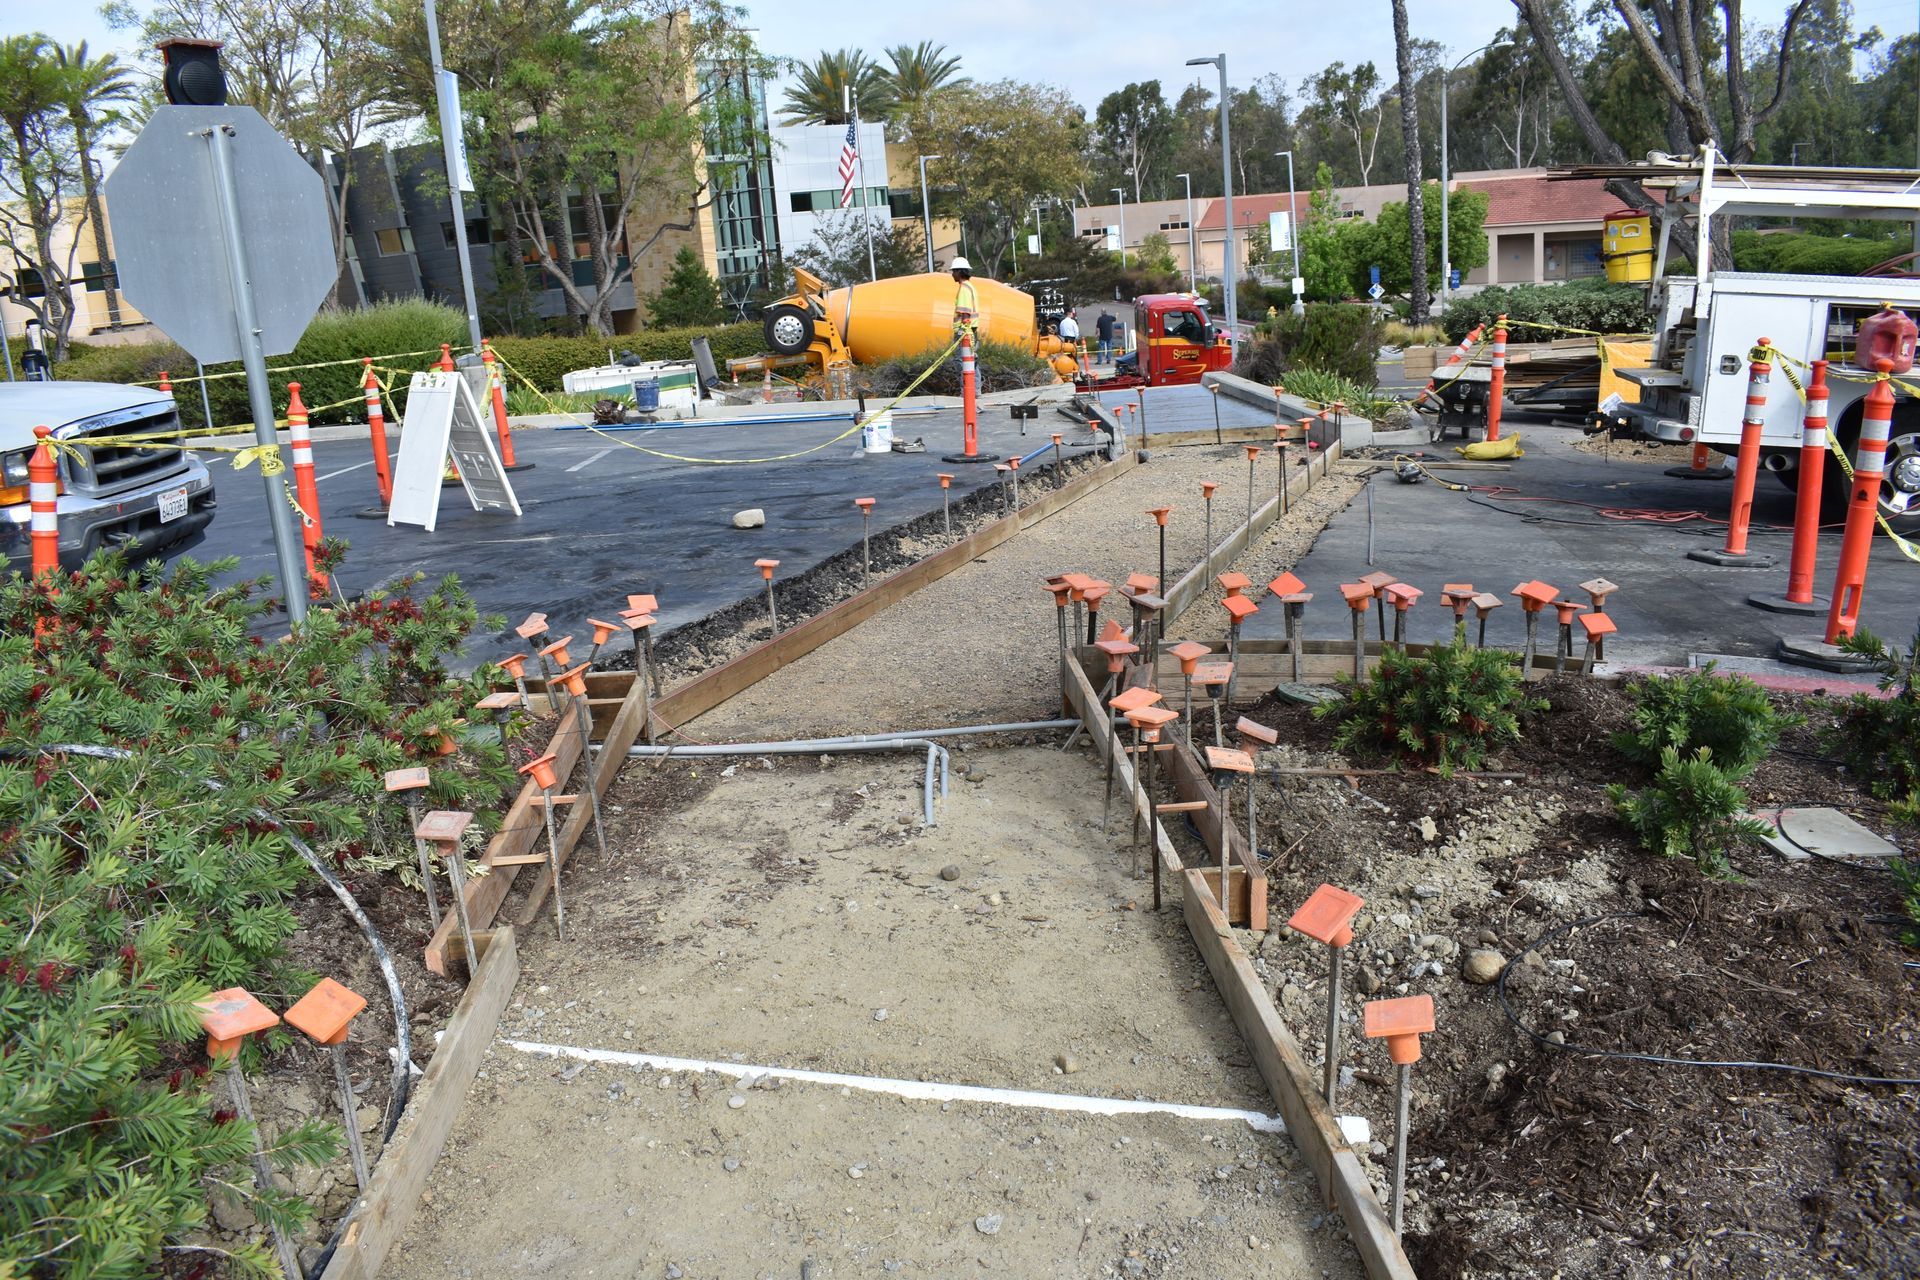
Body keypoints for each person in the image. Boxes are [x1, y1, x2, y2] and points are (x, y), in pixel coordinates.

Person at [950, 256, 978, 337]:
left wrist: (962, 330)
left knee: (964, 350)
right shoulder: (970, 286)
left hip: (965, 332)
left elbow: (965, 311)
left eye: (953, 271)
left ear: (959, 272)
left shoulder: (964, 288)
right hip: (970, 330)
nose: (952, 274)